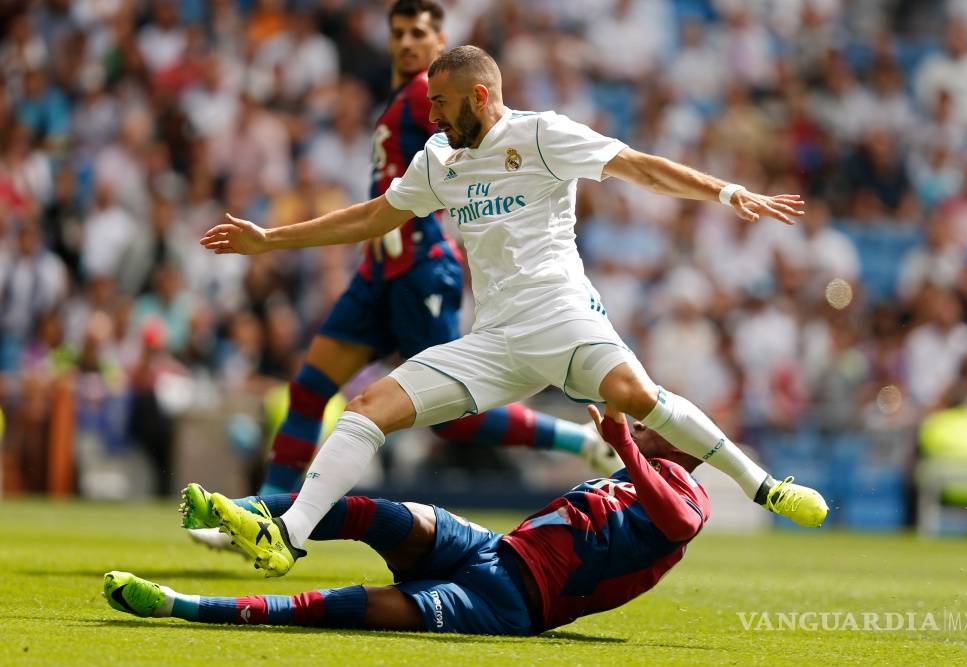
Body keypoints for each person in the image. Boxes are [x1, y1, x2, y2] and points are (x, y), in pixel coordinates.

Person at [199, 45, 828, 577]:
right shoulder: (438, 161)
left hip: (562, 316)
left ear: (478, 95)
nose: (433, 116)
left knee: (636, 395)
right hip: (494, 338)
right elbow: (371, 217)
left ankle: (762, 484)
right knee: (369, 409)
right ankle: (290, 536)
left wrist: (726, 191)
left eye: (441, 104)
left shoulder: (539, 135)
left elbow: (637, 166)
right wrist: (270, 238)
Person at [254, 0, 618, 496]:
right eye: (398, 32)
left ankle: (578, 439)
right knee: (309, 387)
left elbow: (484, 148)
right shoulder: (406, 97)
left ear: (439, 44)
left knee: (447, 414)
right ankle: (263, 511)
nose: (406, 42)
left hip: (419, 266)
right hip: (379, 268)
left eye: (418, 34)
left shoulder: (434, 93)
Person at [105, 405, 710, 635]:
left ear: (683, 446)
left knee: (351, 606)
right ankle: (260, 519)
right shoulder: (629, 475)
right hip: (493, 550)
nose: (646, 423)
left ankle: (179, 606)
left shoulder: (685, 490)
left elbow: (678, 523)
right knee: (377, 513)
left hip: (517, 605)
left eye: (662, 423)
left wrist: (629, 448)